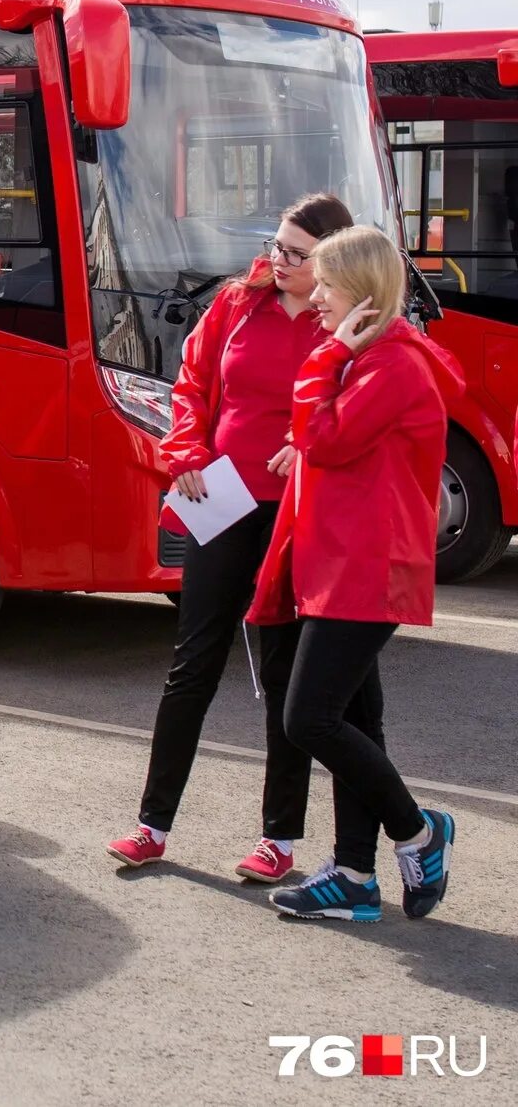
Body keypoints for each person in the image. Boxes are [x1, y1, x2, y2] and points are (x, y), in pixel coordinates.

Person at [107, 192, 354, 880]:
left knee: (283, 673)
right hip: (222, 495)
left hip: (297, 509)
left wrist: (309, 446)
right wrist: (184, 451)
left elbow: (354, 410)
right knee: (193, 662)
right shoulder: (238, 301)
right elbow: (189, 385)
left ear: (330, 259)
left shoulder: (344, 322)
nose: (278, 261)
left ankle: (280, 840)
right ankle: (151, 825)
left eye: (295, 254)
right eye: (276, 245)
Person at [250, 225, 461, 922]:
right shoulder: (375, 358)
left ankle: (418, 832)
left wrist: (330, 356)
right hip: (347, 562)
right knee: (350, 719)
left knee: (309, 717)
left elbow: (324, 437)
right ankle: (353, 875)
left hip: (365, 566)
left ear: (363, 295)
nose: (317, 301)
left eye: (329, 288)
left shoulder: (391, 364)